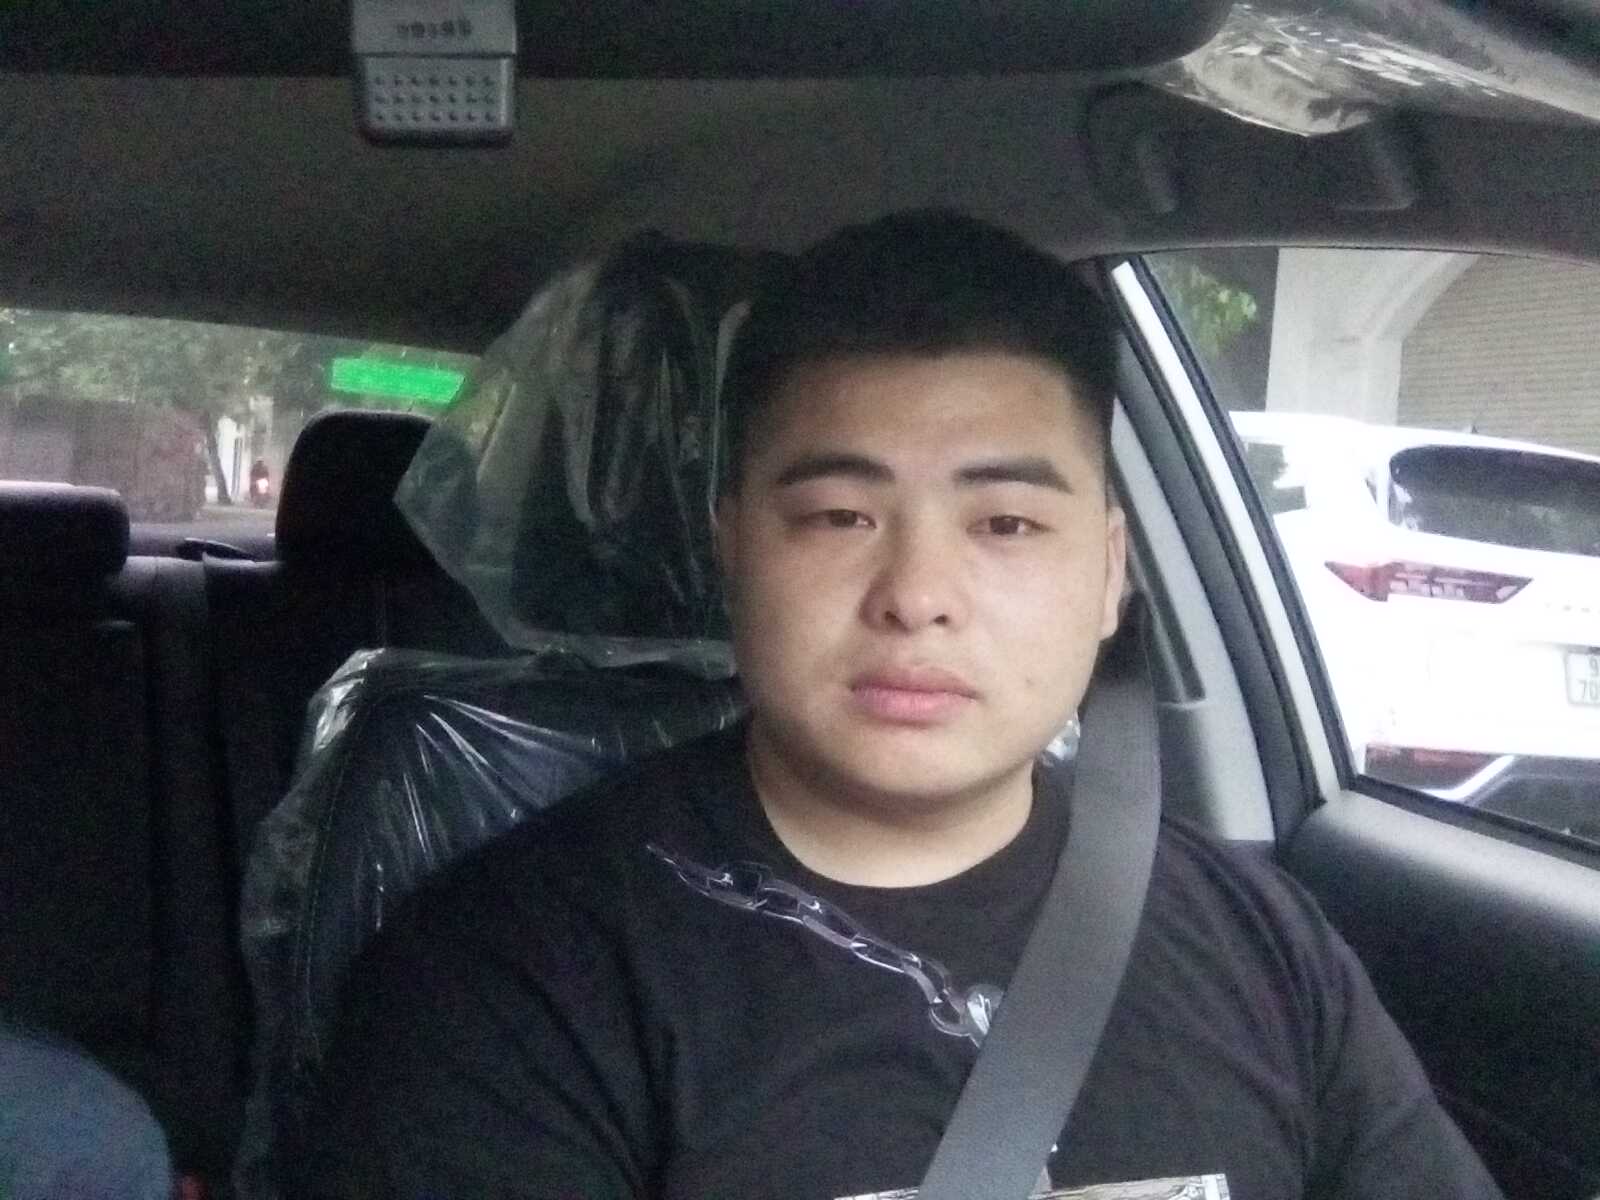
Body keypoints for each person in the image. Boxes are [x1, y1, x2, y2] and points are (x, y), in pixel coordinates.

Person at [301, 212, 1502, 1200]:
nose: (917, 594)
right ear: (732, 551)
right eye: (839, 517)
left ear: (1108, 575)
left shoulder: (1262, 942)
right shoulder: (509, 977)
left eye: (1007, 524)